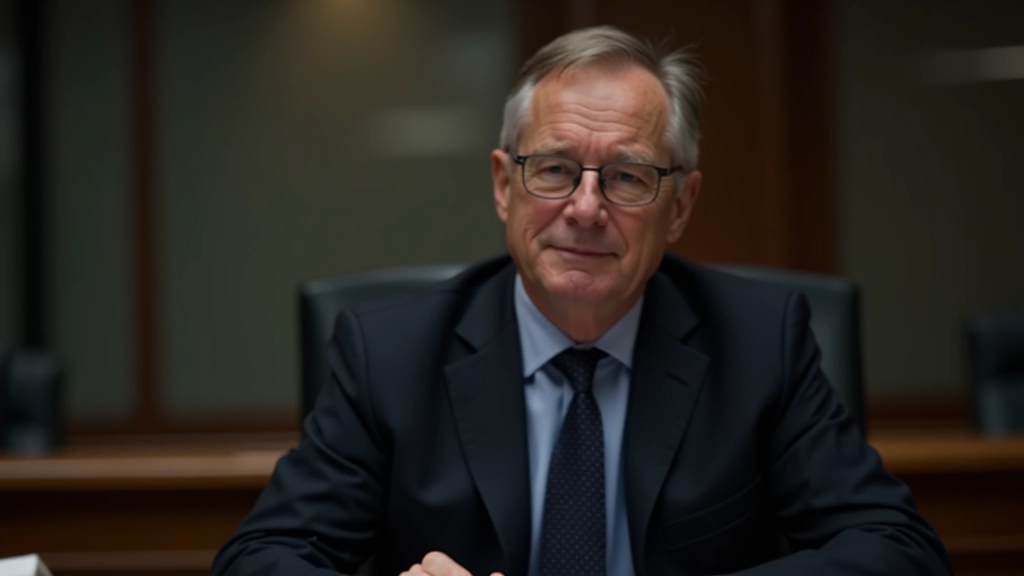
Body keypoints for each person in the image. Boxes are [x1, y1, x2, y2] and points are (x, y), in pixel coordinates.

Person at [213, 26, 951, 576]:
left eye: (627, 178)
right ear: (505, 185)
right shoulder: (390, 356)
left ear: (681, 204)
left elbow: (898, 550)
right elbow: (260, 558)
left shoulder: (759, 342)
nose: (587, 208)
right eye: (555, 169)